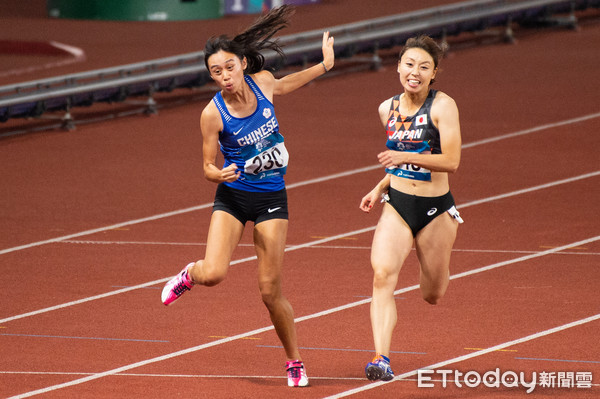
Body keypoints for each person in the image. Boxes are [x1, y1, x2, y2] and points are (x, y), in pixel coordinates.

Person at [160, 5, 334, 388]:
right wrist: (216, 173)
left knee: (271, 292)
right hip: (234, 197)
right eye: (215, 72)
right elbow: (206, 165)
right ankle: (190, 274)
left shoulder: (264, 82)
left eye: (228, 68)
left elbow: (288, 83)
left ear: (242, 63)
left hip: (272, 197)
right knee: (215, 273)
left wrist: (324, 65)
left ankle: (294, 361)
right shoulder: (212, 114)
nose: (223, 77)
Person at [359, 35, 463, 381]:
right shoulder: (385, 108)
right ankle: (381, 358)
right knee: (382, 275)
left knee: (432, 293)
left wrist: (404, 155)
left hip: (436, 210)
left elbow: (451, 161)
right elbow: (396, 163)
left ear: (434, 74)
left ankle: (430, 261)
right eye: (409, 64)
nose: (414, 72)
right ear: (398, 67)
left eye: (423, 67)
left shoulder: (442, 107)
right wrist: (379, 187)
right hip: (398, 204)